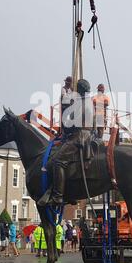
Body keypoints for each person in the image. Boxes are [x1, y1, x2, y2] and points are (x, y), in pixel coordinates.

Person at [40, 79, 93, 207]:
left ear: (79, 90)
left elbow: (73, 122)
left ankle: (57, 196)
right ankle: (69, 192)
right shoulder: (89, 101)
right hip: (87, 134)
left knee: (58, 161)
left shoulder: (81, 103)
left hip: (79, 136)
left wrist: (66, 127)